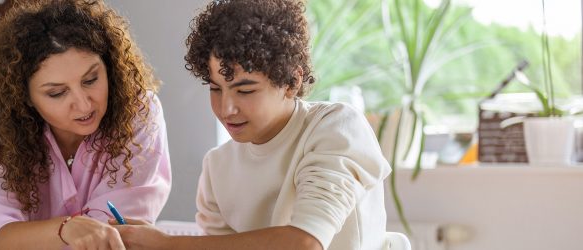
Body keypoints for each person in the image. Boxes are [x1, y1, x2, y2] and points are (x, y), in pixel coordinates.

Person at [112, 0, 391, 249]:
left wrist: (168, 244)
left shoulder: (337, 129)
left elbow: (305, 242)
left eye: (245, 91)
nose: (226, 108)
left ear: (292, 82)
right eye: (215, 89)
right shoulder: (217, 167)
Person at [0, 0, 171, 249]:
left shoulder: (136, 113)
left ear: (110, 66)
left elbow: (108, 239)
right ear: (25, 96)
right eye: (57, 93)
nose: (84, 105)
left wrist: (11, 238)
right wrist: (65, 230)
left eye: (91, 79)